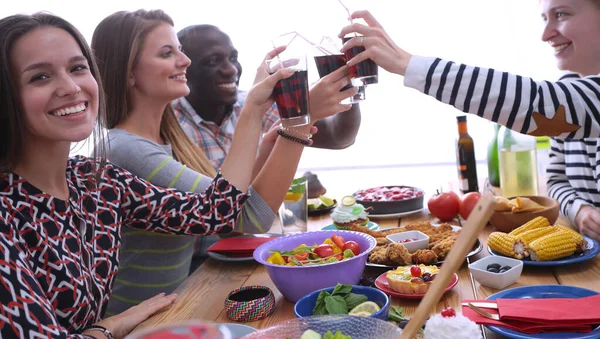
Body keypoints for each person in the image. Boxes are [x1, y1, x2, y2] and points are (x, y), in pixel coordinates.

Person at [0, 12, 301, 339]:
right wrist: (110, 326)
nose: (71, 87)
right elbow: (242, 216)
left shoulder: (96, 182)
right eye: (40, 77)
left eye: (77, 68)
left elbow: (215, 211)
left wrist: (256, 106)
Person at [91, 10, 355, 315]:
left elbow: (227, 205)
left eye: (179, 48)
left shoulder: (166, 138)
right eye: (167, 53)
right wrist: (294, 123)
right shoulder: (125, 149)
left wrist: (271, 142)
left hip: (177, 306)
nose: (184, 60)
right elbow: (245, 218)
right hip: (141, 324)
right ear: (128, 73)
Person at [337, 1, 600, 242]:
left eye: (562, 14)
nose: (546, 34)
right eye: (545, 18)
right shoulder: (572, 89)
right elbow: (556, 180)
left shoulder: (569, 101)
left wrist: (406, 63)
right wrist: (580, 211)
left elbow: (539, 103)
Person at [175, 24, 363, 171]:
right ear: (183, 69)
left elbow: (338, 138)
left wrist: (346, 85)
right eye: (212, 61)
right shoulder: (167, 124)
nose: (231, 69)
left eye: (233, 58)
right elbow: (216, 205)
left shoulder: (248, 103)